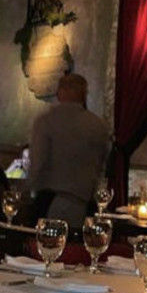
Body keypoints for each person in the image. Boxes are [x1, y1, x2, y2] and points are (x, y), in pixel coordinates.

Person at [25, 73, 109, 228]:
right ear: (83, 94)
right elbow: (102, 165)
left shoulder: (46, 121)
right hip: (86, 203)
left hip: (50, 200)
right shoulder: (98, 126)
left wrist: (27, 195)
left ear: (60, 92)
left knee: (46, 241)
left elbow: (38, 162)